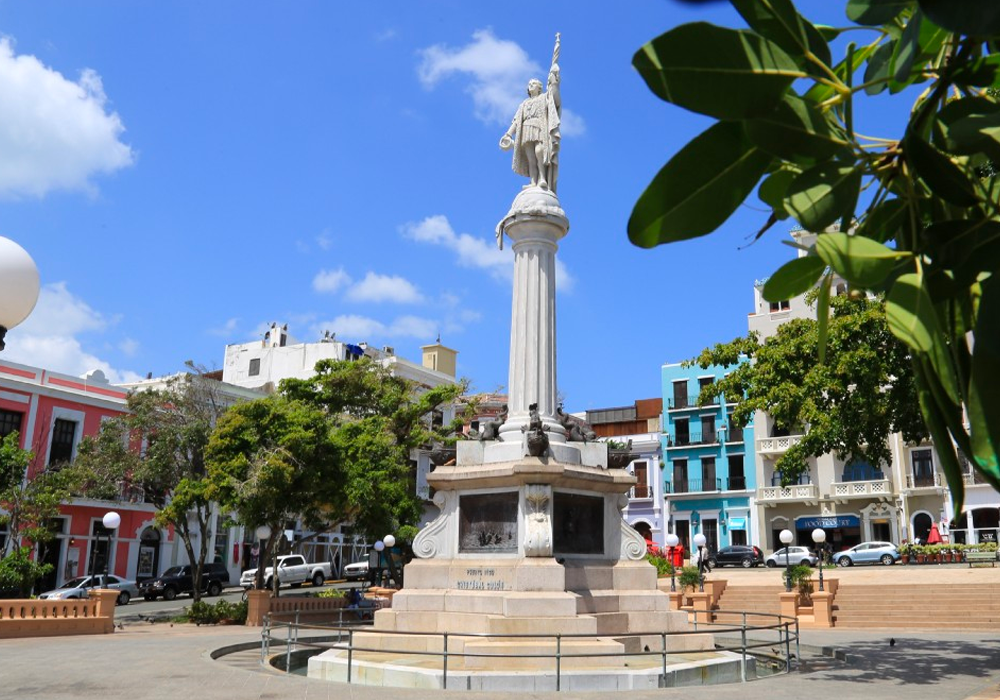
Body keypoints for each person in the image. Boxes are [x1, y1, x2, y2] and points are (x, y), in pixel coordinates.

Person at [499, 34, 561, 192]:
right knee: (530, 157)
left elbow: (555, 100)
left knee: (539, 151)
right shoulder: (524, 104)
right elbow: (516, 121)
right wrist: (508, 134)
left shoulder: (543, 98)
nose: (530, 85)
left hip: (539, 127)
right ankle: (533, 181)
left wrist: (554, 82)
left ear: (539, 87)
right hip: (526, 129)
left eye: (533, 83)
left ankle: (542, 178)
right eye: (529, 84)